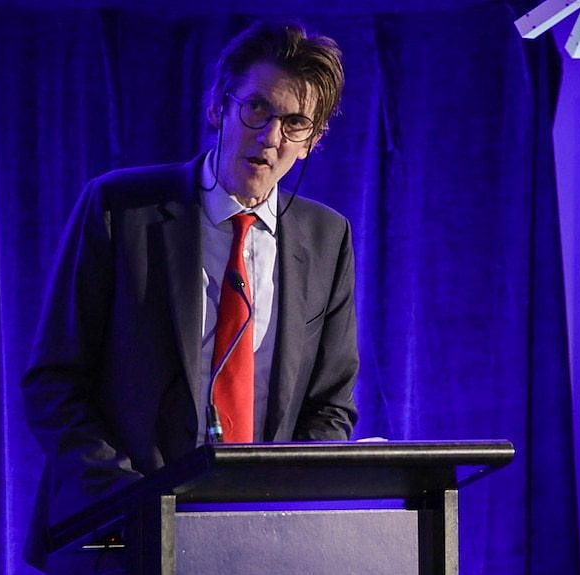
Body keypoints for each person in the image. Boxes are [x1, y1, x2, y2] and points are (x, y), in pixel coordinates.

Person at [21, 19, 359, 574]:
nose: (271, 137)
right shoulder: (120, 208)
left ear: (312, 142)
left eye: (295, 123)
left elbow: (331, 405)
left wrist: (278, 502)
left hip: (255, 543)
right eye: (257, 110)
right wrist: (134, 500)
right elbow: (54, 382)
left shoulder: (328, 239)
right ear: (218, 107)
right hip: (115, 535)